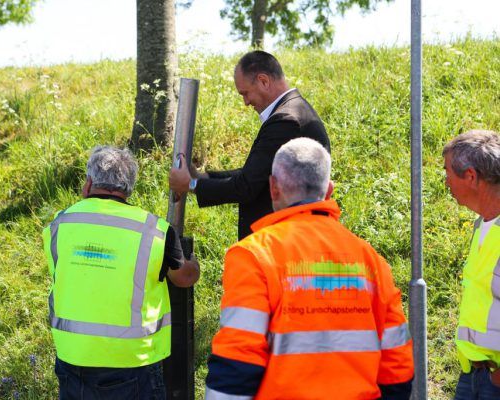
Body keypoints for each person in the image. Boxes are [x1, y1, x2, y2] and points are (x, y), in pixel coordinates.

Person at [204, 138, 414, 399]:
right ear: (329, 191)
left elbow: (239, 357)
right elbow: (398, 363)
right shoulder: (371, 260)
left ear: (273, 187)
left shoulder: (254, 255)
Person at [43, 145, 200, 400]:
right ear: (128, 188)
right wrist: (192, 262)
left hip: (72, 357)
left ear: (88, 183)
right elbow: (184, 277)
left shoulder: (59, 225)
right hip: (131, 364)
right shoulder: (154, 230)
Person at [169, 50, 330, 240]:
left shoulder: (285, 121)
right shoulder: (294, 111)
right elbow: (257, 174)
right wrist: (203, 177)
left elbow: (247, 186)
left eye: (245, 93)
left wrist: (191, 184)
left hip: (282, 241)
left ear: (263, 81)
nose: (246, 102)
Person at [442, 130, 500, 400]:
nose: (446, 183)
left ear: (471, 176)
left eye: (448, 173)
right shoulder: (481, 225)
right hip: (473, 376)